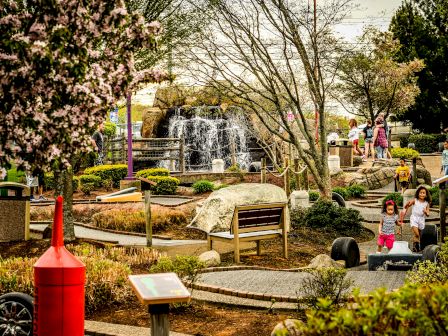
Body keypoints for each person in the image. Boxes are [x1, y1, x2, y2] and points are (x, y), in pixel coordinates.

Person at [401, 186, 431, 252]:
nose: (422, 194)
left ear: (426, 195)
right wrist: (406, 205)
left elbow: (428, 214)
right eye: (420, 193)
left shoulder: (426, 203)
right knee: (417, 234)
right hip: (414, 218)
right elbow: (407, 206)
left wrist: (426, 212)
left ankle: (415, 246)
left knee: (418, 235)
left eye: (423, 193)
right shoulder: (415, 200)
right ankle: (416, 246)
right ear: (418, 193)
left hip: (421, 219)